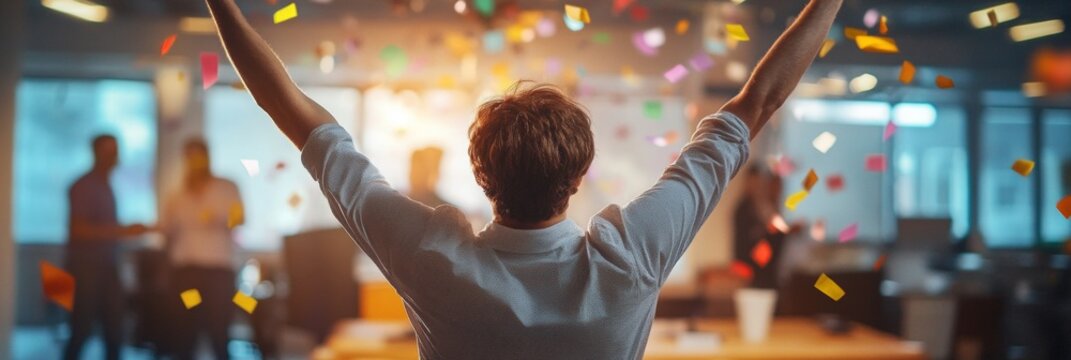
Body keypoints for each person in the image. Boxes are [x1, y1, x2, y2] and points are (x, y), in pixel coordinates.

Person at [205, 0, 843, 357]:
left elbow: (292, 112)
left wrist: (219, 4)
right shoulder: (631, 259)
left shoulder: (430, 259)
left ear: (480, 175)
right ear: (580, 174)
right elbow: (754, 104)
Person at [64, 135, 149, 360]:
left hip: (108, 267)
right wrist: (122, 231)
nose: (114, 157)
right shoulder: (83, 186)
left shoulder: (106, 186)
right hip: (86, 269)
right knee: (81, 330)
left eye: (115, 151)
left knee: (115, 331)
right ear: (96, 153)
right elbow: (79, 230)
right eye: (109, 151)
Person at [160, 139, 245, 360]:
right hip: (186, 276)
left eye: (199, 156)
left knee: (218, 331)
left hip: (218, 274)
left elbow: (239, 219)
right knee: (185, 331)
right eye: (190, 157)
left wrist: (217, 218)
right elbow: (166, 231)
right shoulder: (176, 194)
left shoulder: (227, 187)